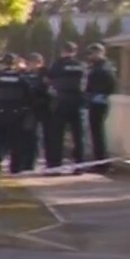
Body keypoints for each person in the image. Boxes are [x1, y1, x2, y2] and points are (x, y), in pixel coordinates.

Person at [0, 53, 31, 175]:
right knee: (16, 141)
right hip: (16, 114)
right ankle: (15, 167)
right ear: (15, 64)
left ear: (3, 63)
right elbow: (28, 95)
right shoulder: (21, 78)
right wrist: (22, 108)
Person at [46, 41, 87, 173]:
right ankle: (79, 166)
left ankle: (55, 166)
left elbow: (48, 79)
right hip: (77, 102)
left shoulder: (58, 64)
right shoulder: (81, 65)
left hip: (61, 101)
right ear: (75, 52)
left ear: (63, 51)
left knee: (57, 135)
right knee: (78, 136)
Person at [83, 43, 118, 173]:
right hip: (93, 102)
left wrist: (100, 95)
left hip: (99, 103)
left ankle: (102, 164)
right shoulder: (95, 67)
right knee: (95, 133)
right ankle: (98, 161)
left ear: (100, 53)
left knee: (98, 134)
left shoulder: (105, 67)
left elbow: (112, 85)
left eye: (92, 53)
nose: (90, 56)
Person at [19, 53, 52, 173]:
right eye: (30, 62)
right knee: (29, 136)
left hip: (43, 108)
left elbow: (48, 90)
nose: (32, 65)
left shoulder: (46, 74)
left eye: (34, 62)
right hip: (30, 109)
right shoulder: (25, 75)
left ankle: (42, 162)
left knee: (40, 137)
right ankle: (28, 162)